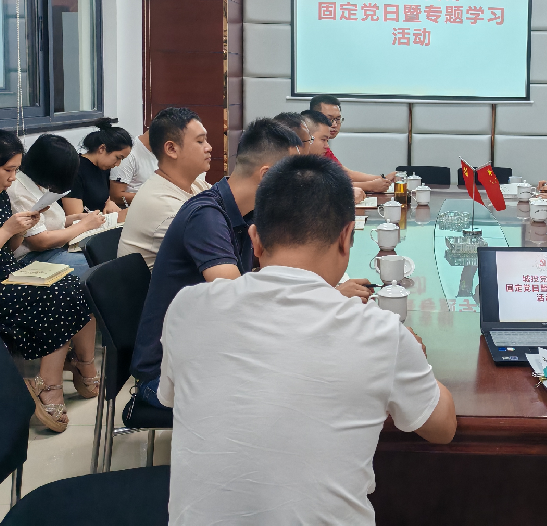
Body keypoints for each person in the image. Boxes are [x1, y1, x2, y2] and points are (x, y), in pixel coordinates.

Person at [158, 153, 456, 524]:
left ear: (255, 240)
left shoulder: (187, 307)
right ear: (346, 237)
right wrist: (412, 354)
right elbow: (442, 428)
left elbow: (179, 398)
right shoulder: (380, 333)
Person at [130, 119, 374, 409]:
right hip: (167, 375)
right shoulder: (206, 217)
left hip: (217, 351)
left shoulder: (246, 212)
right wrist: (328, 297)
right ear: (267, 175)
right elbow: (240, 303)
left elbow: (271, 277)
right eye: (292, 177)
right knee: (311, 390)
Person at [0, 130, 98, 433]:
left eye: (16, 169)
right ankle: (49, 385)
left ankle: (75, 368)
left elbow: (11, 248)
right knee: (57, 294)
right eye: (8, 170)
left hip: (6, 275)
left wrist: (22, 226)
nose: (12, 178)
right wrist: (6, 230)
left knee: (73, 283)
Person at [117, 108, 212, 268]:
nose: (209, 147)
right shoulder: (167, 207)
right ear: (171, 149)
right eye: (200, 141)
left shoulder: (195, 184)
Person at [8, 134, 107, 278]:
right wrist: (83, 225)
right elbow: (40, 241)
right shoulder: (18, 191)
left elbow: (47, 222)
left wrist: (77, 218)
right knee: (98, 268)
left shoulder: (38, 183)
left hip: (54, 250)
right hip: (31, 259)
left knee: (104, 254)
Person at [310, 94, 398, 193]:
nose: (334, 124)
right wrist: (370, 186)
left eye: (338, 119)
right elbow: (324, 184)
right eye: (329, 119)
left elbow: (343, 173)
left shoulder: (323, 145)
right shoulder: (307, 144)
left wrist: (383, 179)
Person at [62, 119, 132, 220]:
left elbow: (104, 198)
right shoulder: (74, 170)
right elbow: (75, 216)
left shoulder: (104, 168)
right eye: (117, 157)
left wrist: (109, 203)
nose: (118, 164)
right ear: (102, 149)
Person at [297, 110, 366, 203]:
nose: (327, 146)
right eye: (323, 140)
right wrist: (345, 194)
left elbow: (336, 180)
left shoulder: (315, 161)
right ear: (306, 138)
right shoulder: (292, 166)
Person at [110, 128, 158, 208]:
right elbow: (116, 196)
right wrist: (154, 198)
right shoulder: (129, 154)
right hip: (136, 208)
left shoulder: (161, 151)